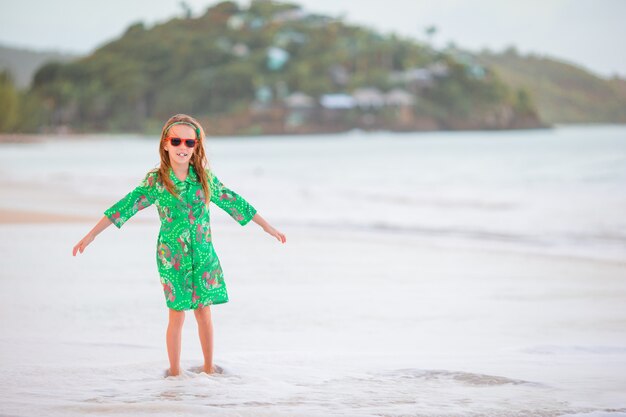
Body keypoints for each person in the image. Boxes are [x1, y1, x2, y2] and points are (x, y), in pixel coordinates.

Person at [72, 114, 286, 377]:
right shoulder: (156, 181)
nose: (183, 147)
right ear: (165, 144)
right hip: (171, 257)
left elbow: (233, 201)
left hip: (204, 254)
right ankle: (174, 373)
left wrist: (267, 226)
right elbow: (126, 206)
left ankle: (209, 368)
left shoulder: (204, 177)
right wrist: (92, 234)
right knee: (177, 314)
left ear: (196, 146)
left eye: (189, 142)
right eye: (176, 141)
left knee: (203, 312)